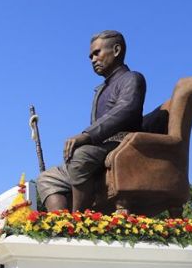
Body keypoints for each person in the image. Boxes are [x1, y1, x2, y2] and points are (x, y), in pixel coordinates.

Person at [37, 30, 146, 212]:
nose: (93, 59)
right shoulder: (102, 89)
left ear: (117, 50)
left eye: (97, 53)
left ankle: (79, 221)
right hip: (99, 148)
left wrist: (86, 136)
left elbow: (126, 109)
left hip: (121, 145)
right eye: (90, 56)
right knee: (47, 178)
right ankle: (58, 225)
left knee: (81, 157)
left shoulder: (132, 79)